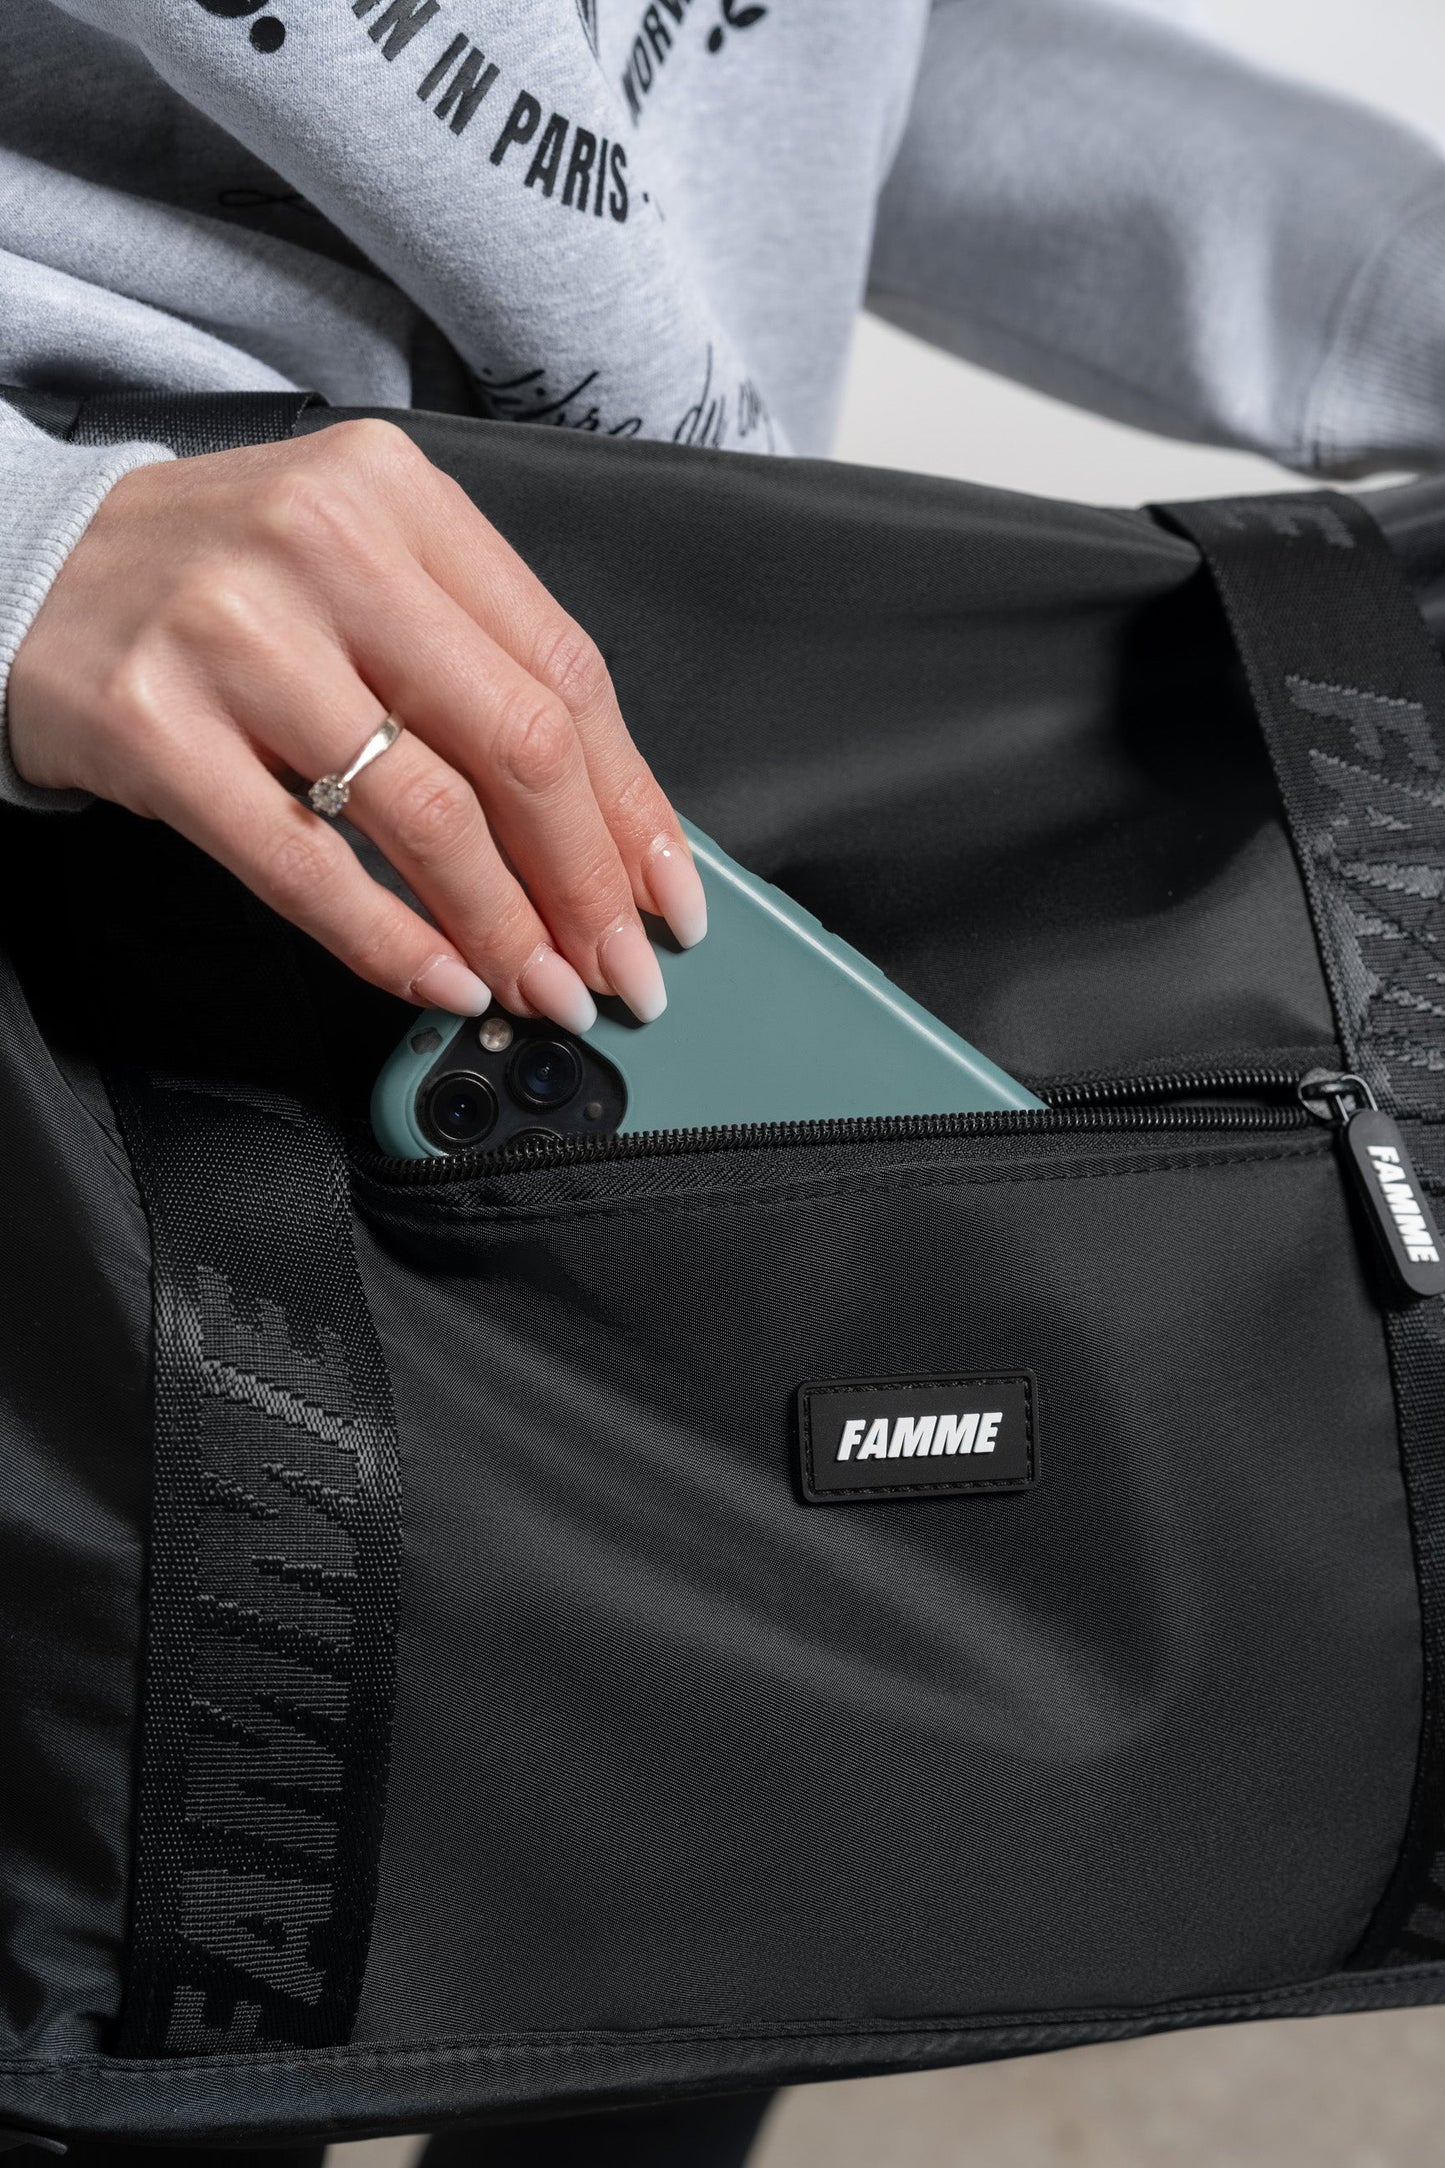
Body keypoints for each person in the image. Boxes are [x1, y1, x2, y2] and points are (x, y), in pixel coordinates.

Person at [4, 1, 1445, 2160]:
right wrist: (23, 536)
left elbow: (806, 56)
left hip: (664, 713)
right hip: (102, 796)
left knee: (746, 1892)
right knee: (153, 1950)